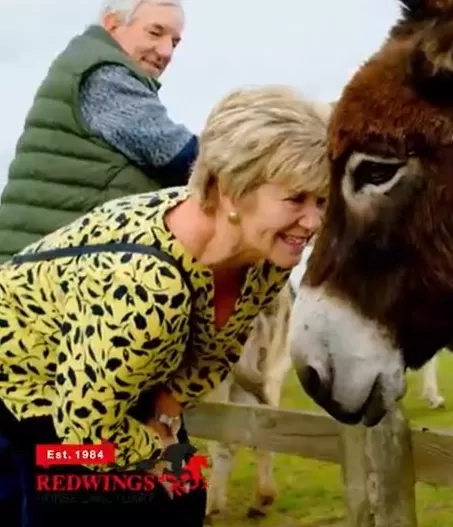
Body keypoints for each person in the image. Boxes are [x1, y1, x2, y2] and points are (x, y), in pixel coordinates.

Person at [0, 85, 332, 526]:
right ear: (229, 190)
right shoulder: (148, 285)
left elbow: (217, 350)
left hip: (110, 378)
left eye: (322, 200)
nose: (313, 223)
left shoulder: (264, 255)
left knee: (183, 493)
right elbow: (84, 436)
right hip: (34, 395)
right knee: (75, 498)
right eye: (296, 199)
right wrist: (152, 447)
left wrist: (168, 412)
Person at [0, 0, 197, 263]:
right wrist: (253, 158)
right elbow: (181, 156)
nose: (165, 51)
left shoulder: (89, 64)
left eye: (174, 42)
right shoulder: (105, 76)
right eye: (155, 32)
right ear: (112, 23)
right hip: (54, 276)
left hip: (47, 264)